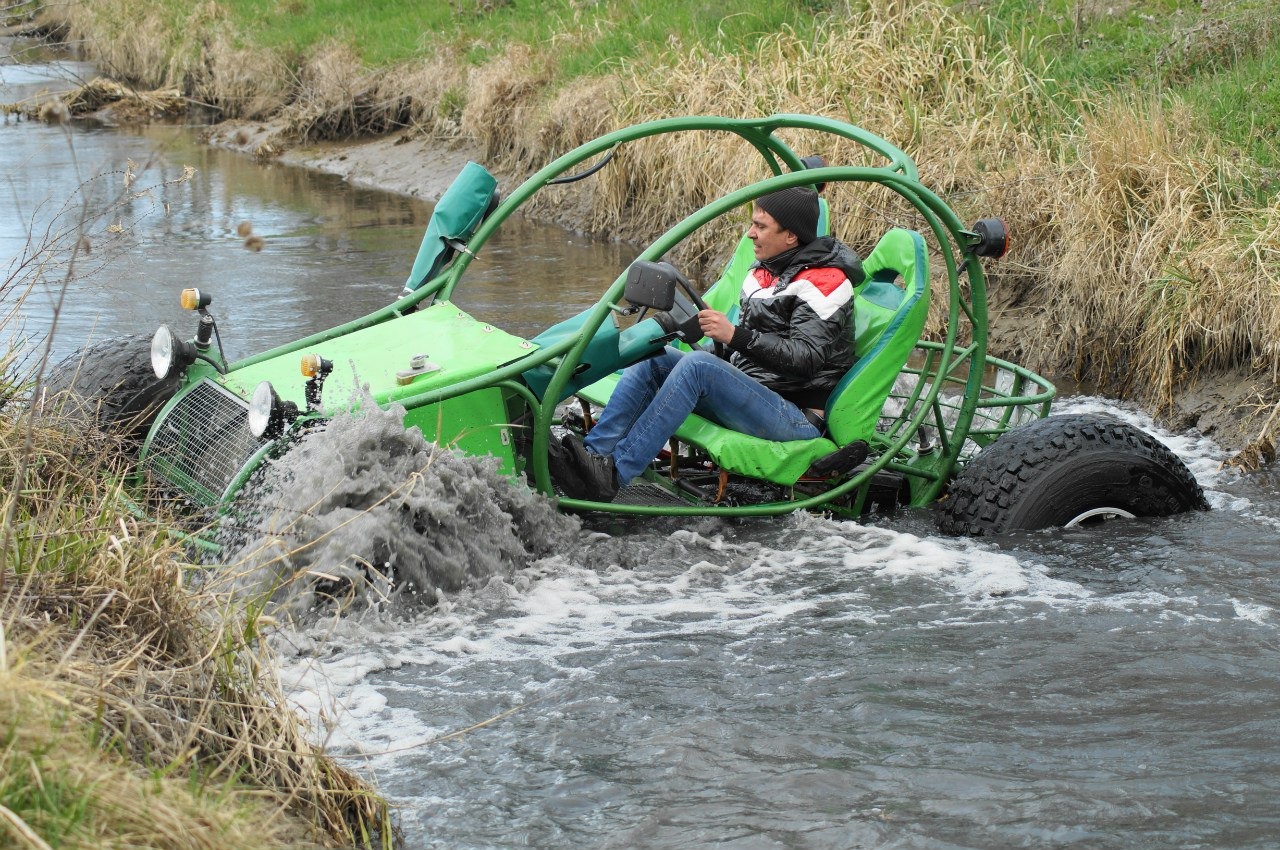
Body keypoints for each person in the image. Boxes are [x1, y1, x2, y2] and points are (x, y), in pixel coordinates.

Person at [551, 185, 866, 502]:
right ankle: (593, 457)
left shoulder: (826, 283)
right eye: (752, 224)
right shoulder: (763, 273)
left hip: (794, 417)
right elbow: (746, 351)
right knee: (654, 358)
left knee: (697, 366)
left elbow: (805, 358)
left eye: (761, 226)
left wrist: (734, 335)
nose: (750, 234)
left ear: (791, 236)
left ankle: (614, 474)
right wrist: (712, 336)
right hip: (757, 397)